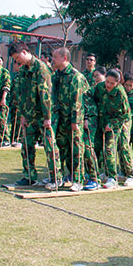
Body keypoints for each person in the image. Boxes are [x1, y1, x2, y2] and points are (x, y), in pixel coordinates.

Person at [8, 41, 61, 187]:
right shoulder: (24, 70)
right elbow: (23, 94)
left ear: (25, 52)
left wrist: (47, 117)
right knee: (26, 146)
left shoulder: (41, 68)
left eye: (18, 57)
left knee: (49, 147)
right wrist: (23, 115)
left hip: (43, 116)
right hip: (29, 116)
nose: (17, 61)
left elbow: (46, 95)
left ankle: (56, 177)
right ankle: (29, 176)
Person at [51, 47, 87, 192]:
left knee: (76, 149)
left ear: (64, 58)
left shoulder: (75, 76)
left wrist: (75, 121)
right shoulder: (57, 76)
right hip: (60, 120)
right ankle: (66, 176)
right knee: (62, 149)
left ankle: (78, 180)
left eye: (55, 57)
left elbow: (77, 101)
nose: (53, 59)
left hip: (73, 121)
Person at [99, 69, 133, 188]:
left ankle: (131, 175)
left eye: (112, 83)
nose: (108, 85)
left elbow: (125, 114)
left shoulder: (120, 93)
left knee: (123, 146)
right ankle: (110, 175)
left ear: (118, 83)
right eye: (107, 82)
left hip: (122, 120)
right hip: (108, 120)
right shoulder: (101, 87)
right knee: (108, 147)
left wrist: (112, 124)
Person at [0, 57, 11, 146]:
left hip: (1, 98)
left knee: (2, 119)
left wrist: (3, 98)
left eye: (0, 61)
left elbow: (6, 86)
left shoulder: (4, 72)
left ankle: (5, 138)